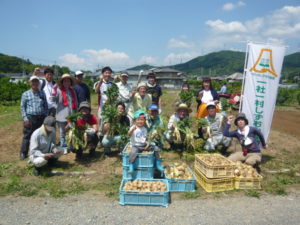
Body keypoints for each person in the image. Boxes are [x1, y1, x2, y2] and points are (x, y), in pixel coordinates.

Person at [20, 75, 48, 160]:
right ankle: (23, 153)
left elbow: (45, 106)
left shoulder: (42, 93)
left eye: (36, 81)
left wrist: (45, 117)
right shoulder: (26, 94)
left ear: (38, 83)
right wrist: (25, 119)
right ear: (30, 83)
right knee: (27, 135)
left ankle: (38, 152)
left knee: (40, 135)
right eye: (33, 81)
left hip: (41, 118)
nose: (35, 83)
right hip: (31, 118)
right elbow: (22, 107)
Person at [53, 74, 77, 148]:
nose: (67, 83)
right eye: (65, 81)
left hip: (71, 114)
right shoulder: (59, 90)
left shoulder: (72, 91)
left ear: (70, 82)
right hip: (61, 115)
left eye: (68, 81)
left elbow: (76, 102)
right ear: (62, 82)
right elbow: (53, 100)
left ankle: (70, 144)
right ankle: (63, 145)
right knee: (62, 131)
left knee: (71, 129)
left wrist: (76, 112)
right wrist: (54, 91)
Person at [94, 66, 114, 136]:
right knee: (101, 121)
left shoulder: (112, 84)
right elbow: (96, 91)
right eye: (106, 73)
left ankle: (107, 137)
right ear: (102, 74)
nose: (108, 74)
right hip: (101, 106)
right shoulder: (98, 83)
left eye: (109, 73)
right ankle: (100, 138)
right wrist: (100, 81)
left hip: (110, 107)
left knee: (108, 122)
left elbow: (115, 95)